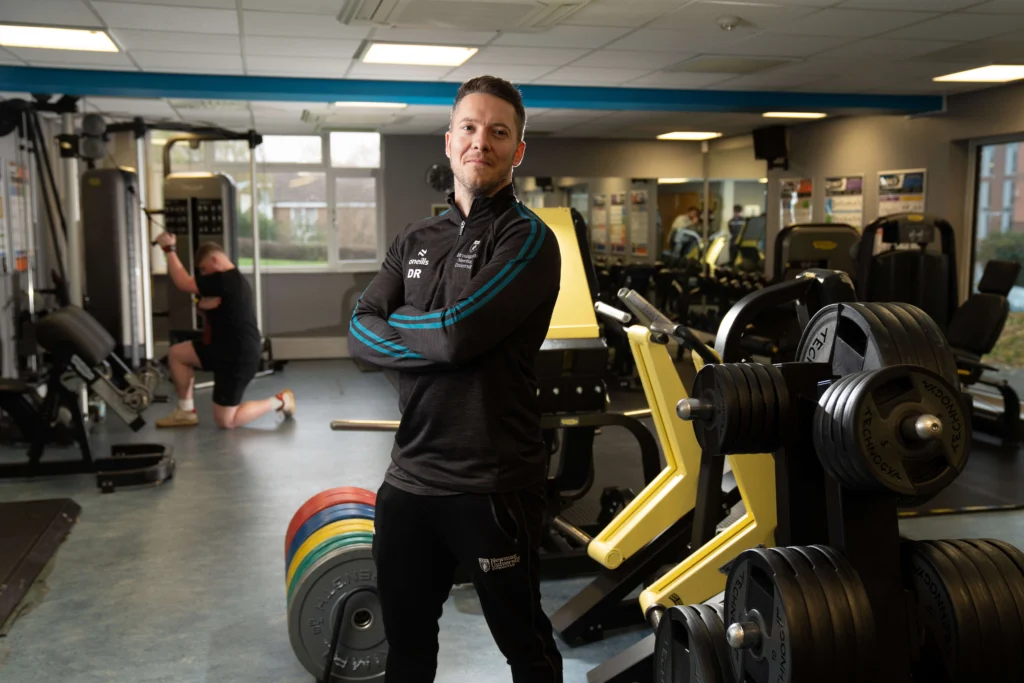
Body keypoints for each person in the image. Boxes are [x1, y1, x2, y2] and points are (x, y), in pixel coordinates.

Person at [348, 75, 563, 683]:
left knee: (526, 647)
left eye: (499, 132)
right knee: (407, 651)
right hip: (410, 479)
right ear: (449, 141)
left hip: (492, 485)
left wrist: (407, 323)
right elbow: (360, 333)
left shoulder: (527, 239)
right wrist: (441, 336)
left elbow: (456, 336)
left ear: (518, 150)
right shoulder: (415, 239)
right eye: (469, 127)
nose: (480, 141)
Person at [153, 234, 295, 429]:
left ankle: (281, 401)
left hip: (238, 356)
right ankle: (185, 411)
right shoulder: (225, 282)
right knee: (177, 353)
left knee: (226, 421)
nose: (203, 274)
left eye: (204, 269)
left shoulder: (224, 279)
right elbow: (206, 305)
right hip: (220, 347)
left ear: (214, 260)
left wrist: (169, 249)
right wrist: (200, 305)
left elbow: (183, 283)